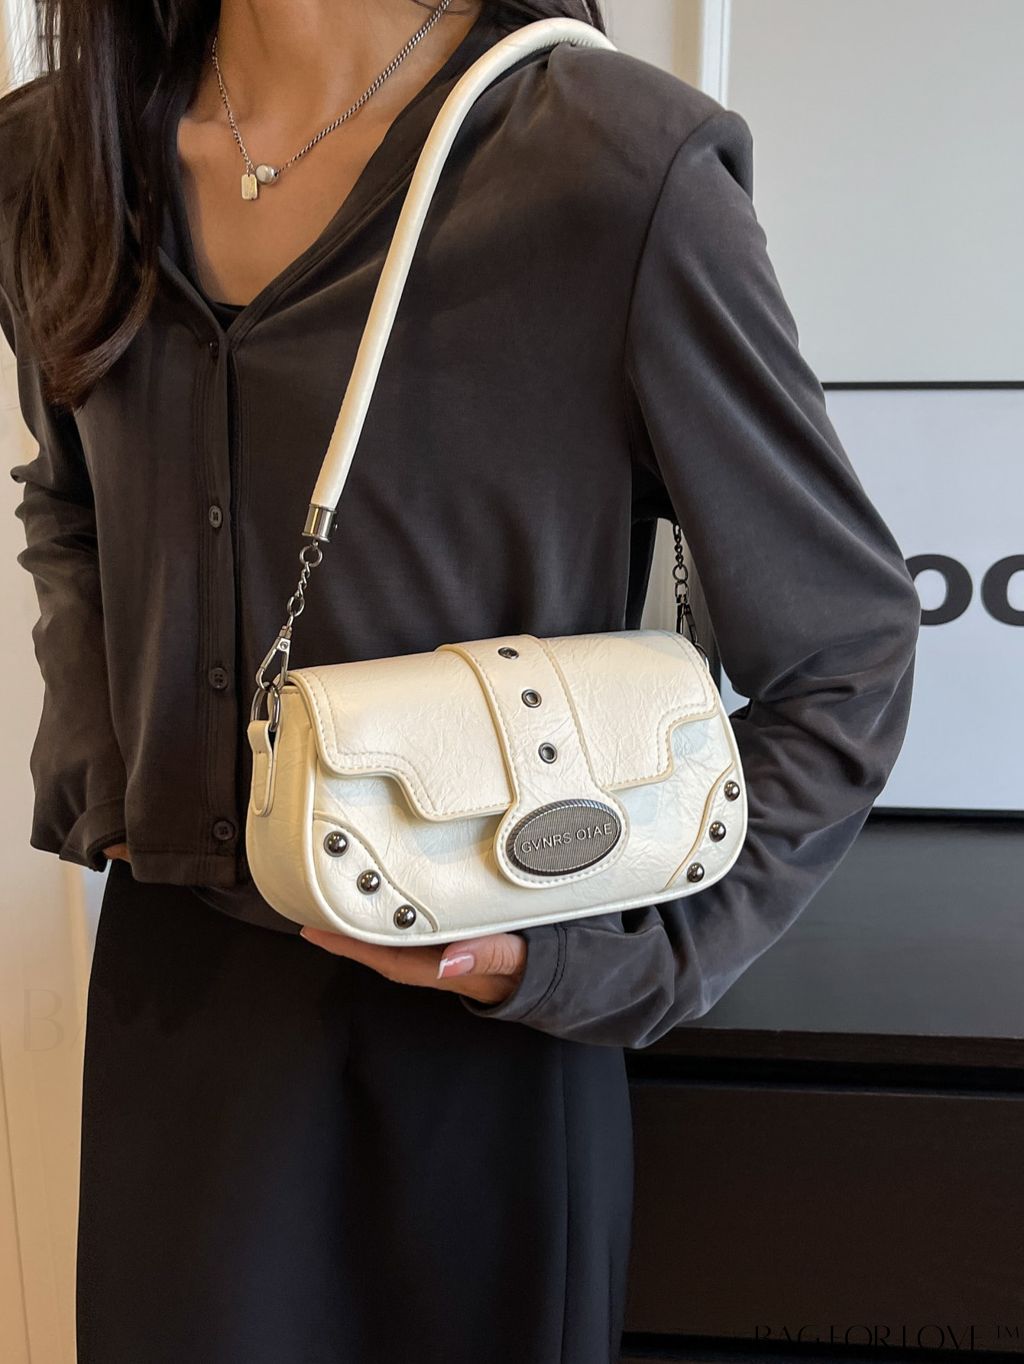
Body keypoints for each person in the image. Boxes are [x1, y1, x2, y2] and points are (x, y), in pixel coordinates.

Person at [1, 0, 921, 1360]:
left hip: (482, 1038)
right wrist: (110, 777)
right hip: (180, 1017)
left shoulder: (604, 166)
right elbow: (72, 498)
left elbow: (845, 651)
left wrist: (620, 962)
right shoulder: (59, 158)